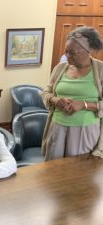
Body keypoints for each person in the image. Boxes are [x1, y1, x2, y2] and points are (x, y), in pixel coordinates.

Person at [41, 26, 103, 161]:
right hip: (57, 127)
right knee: (52, 171)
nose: (67, 56)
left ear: (87, 51)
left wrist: (84, 104)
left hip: (85, 130)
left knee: (79, 173)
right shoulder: (60, 68)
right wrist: (55, 100)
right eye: (66, 52)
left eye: (72, 53)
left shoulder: (100, 70)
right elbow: (46, 92)